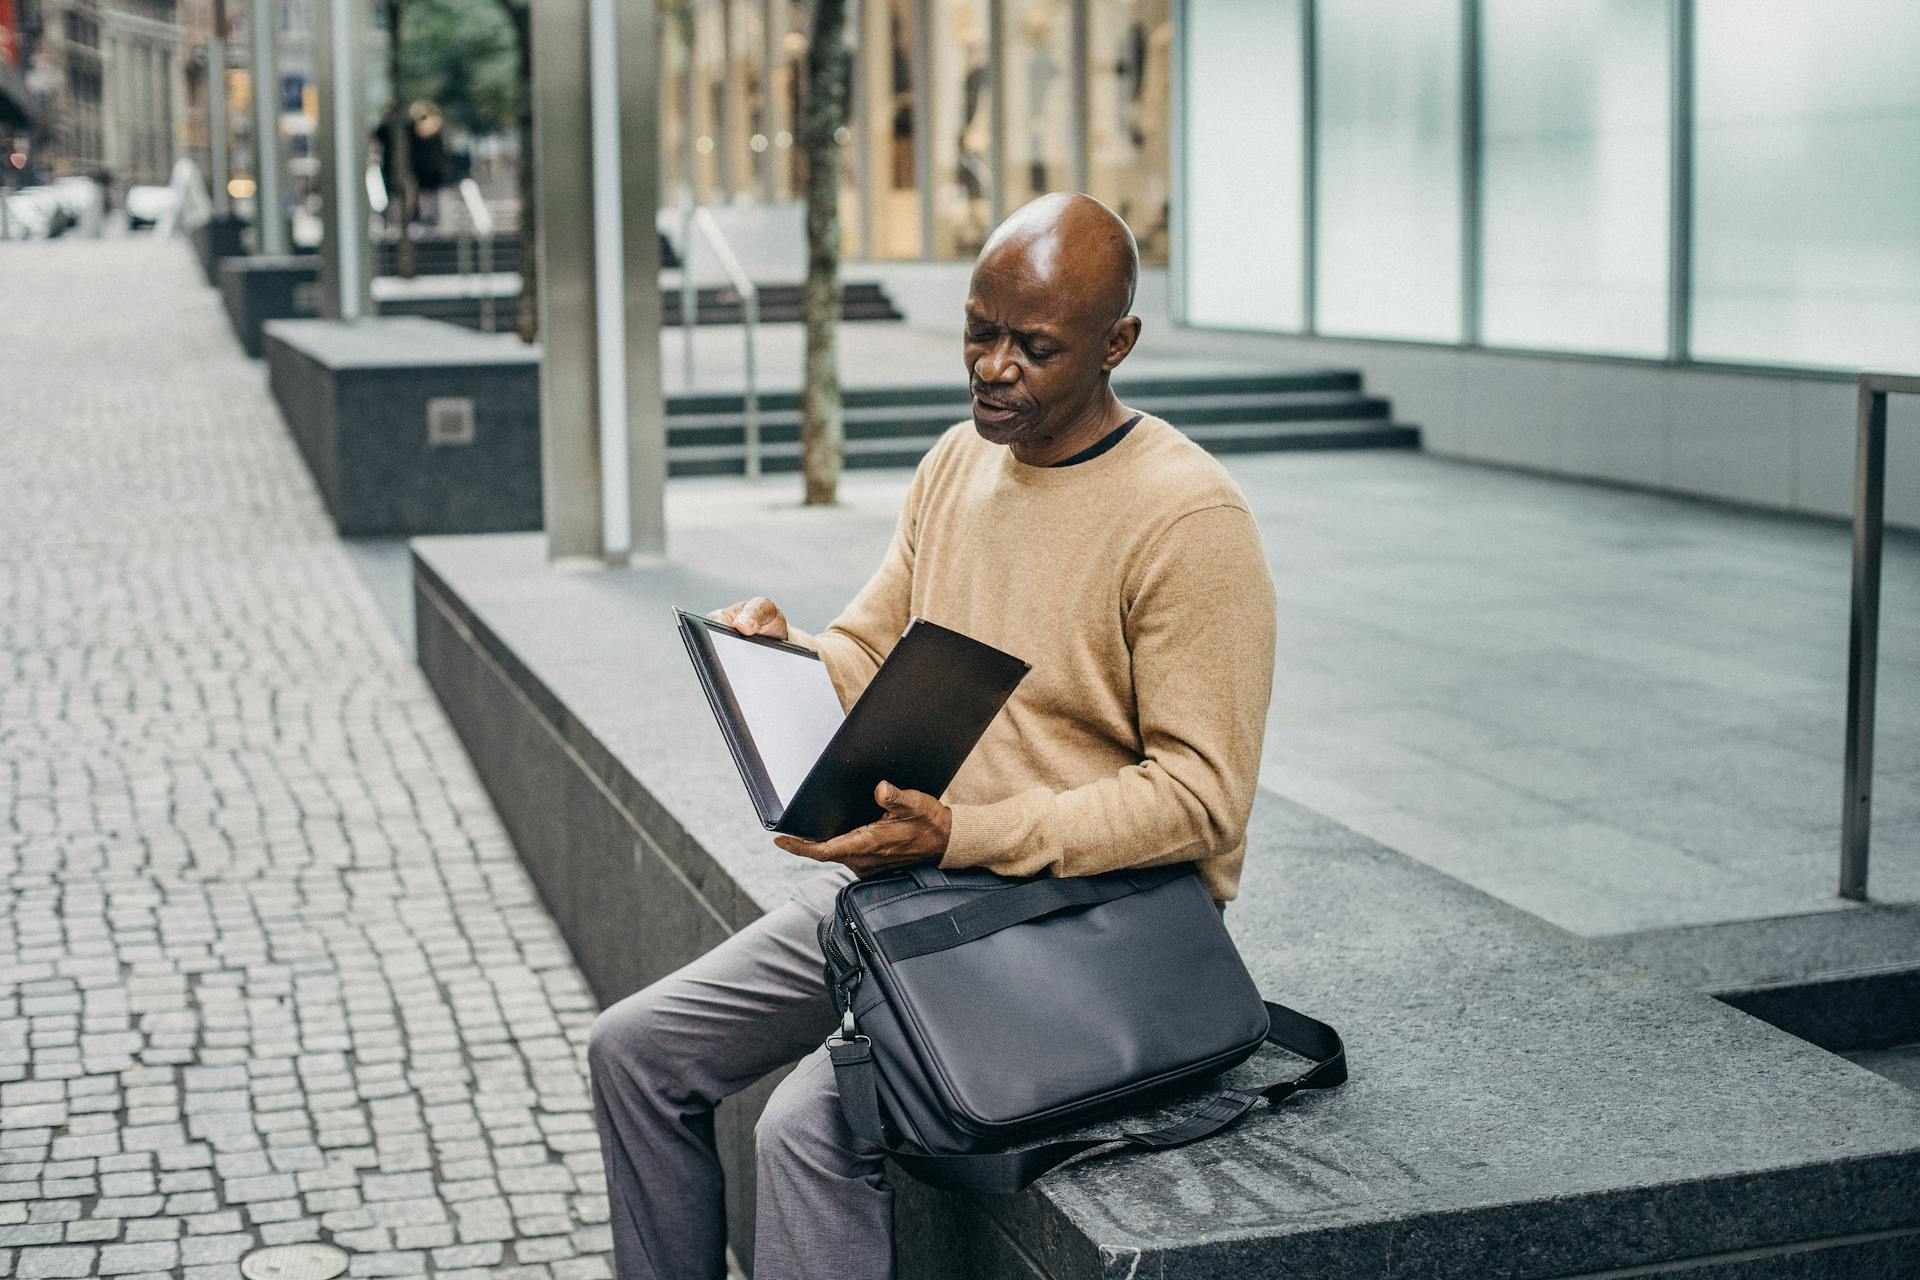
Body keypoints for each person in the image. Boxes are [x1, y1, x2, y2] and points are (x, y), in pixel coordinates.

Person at [588, 192, 1277, 1280]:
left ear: (1117, 344)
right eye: (978, 329)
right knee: (634, 1049)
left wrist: (964, 832)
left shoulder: (1189, 518)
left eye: (1033, 346)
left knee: (801, 1130)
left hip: (1078, 921)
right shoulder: (960, 463)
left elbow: (1200, 798)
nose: (993, 366)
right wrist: (780, 652)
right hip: (924, 881)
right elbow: (869, 650)